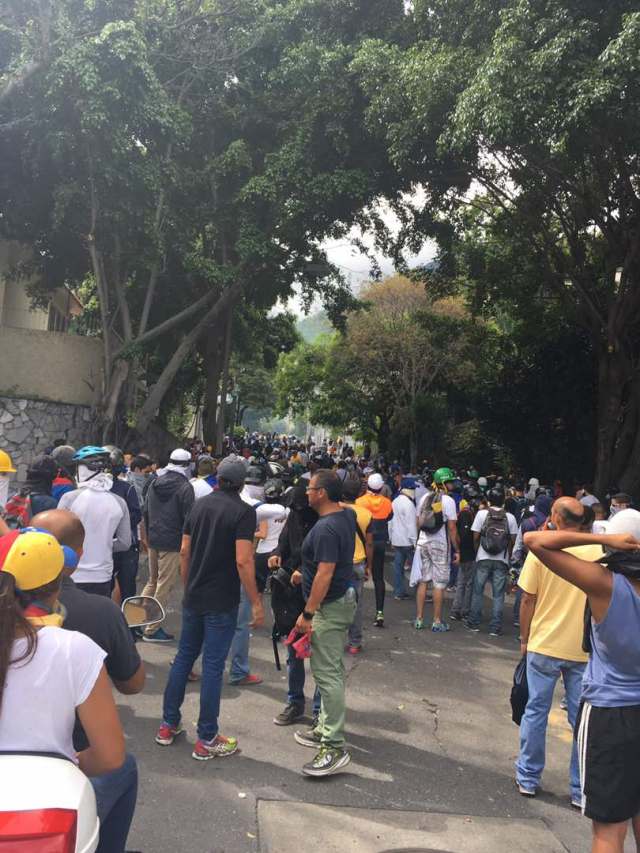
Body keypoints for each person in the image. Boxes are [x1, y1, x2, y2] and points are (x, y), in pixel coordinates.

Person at [0, 528, 136, 853]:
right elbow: (109, 756)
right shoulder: (75, 649)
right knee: (126, 768)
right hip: (49, 797)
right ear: (58, 585)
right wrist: (70, 763)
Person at [524, 510, 640, 853]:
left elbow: (536, 541)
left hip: (609, 713)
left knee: (608, 830)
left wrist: (602, 539)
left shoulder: (605, 585)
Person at [155, 456, 264, 760]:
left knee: (184, 658)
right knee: (213, 667)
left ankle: (168, 724)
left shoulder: (198, 506)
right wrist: (256, 601)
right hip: (221, 600)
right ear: (242, 482)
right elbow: (243, 560)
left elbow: (184, 550)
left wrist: (189, 585)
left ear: (217, 477)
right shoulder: (243, 512)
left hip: (195, 596)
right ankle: (206, 737)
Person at [515, 498, 601, 806]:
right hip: (583, 650)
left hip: (543, 643)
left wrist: (524, 639)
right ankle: (580, 790)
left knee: (536, 710)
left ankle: (527, 778)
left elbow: (527, 599)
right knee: (581, 721)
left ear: (554, 517)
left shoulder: (542, 549)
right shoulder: (598, 553)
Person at [292, 469, 357, 777]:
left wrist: (307, 613)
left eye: (311, 488)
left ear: (323, 494)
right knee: (329, 668)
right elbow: (319, 568)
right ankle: (324, 728)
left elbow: (325, 573)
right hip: (339, 599)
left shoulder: (328, 528)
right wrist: (302, 573)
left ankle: (333, 746)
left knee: (328, 674)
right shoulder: (345, 515)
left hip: (329, 607)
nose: (307, 492)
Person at [269, 481, 320, 727]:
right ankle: (295, 702)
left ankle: (321, 712)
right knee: (293, 652)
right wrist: (277, 552)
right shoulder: (294, 517)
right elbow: (285, 540)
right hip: (291, 592)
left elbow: (327, 563)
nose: (297, 511)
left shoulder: (325, 522)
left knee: (321, 657)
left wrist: (304, 572)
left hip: (317, 596)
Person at [58, 446, 131, 597]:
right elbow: (125, 543)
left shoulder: (69, 498)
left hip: (71, 573)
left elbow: (58, 536)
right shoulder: (119, 502)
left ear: (84, 469)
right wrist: (103, 544)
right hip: (102, 576)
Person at [141, 448, 195, 641]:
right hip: (172, 542)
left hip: (154, 538)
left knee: (152, 581)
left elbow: (145, 510)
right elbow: (189, 519)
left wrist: (146, 536)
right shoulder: (185, 487)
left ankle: (138, 622)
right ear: (187, 465)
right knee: (164, 585)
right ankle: (152, 629)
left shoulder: (155, 481)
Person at [413, 467, 460, 632]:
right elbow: (452, 528)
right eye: (451, 482)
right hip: (440, 544)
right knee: (439, 584)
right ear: (444, 483)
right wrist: (457, 550)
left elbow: (418, 521)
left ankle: (419, 619)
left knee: (423, 581)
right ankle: (437, 621)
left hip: (423, 542)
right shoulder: (449, 501)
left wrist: (417, 541)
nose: (453, 484)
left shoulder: (425, 497)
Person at [466, 487, 518, 636]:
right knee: (498, 594)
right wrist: (506, 555)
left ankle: (474, 623)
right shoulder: (510, 518)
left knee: (478, 591)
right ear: (503, 501)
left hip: (483, 558)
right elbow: (512, 541)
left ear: (489, 500)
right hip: (501, 560)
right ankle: (495, 627)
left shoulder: (482, 514)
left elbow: (475, 536)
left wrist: (478, 551)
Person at [341, 475, 373, 655]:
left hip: (337, 563)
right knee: (356, 604)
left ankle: (333, 638)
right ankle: (354, 643)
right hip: (358, 562)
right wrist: (368, 565)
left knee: (332, 601)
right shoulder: (366, 514)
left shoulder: (335, 510)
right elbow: (369, 543)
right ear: (359, 493)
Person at [356, 473, 393, 627]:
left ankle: (354, 611)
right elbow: (390, 517)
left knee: (358, 577)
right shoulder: (387, 502)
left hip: (365, 543)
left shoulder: (360, 501)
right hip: (381, 542)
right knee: (378, 577)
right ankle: (379, 613)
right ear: (381, 487)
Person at [108, 446, 142, 604]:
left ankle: (129, 625)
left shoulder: (126, 488)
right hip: (107, 547)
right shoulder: (95, 491)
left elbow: (136, 515)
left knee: (127, 589)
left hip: (125, 546)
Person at [389, 477, 417, 600]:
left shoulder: (394, 502)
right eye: (413, 489)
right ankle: (420, 592)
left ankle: (398, 592)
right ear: (407, 489)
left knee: (398, 568)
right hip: (408, 541)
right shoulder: (409, 504)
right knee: (417, 569)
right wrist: (415, 542)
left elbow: (390, 522)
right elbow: (411, 525)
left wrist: (390, 538)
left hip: (397, 540)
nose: (414, 491)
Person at [449, 498, 476, 622]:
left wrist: (457, 550)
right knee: (469, 584)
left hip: (462, 552)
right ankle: (465, 611)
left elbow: (455, 533)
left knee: (461, 583)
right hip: (470, 553)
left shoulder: (460, 515)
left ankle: (456, 610)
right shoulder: (470, 515)